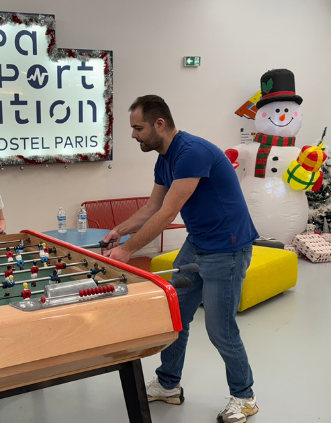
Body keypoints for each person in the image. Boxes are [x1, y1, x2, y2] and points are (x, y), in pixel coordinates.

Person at [103, 95, 259, 423]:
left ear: (160, 124)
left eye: (138, 128)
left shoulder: (192, 153)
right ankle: (168, 384)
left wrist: (128, 250)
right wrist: (118, 231)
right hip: (199, 242)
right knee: (174, 314)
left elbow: (168, 212)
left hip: (227, 248)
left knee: (221, 329)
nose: (134, 136)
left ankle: (244, 397)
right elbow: (150, 208)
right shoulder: (164, 158)